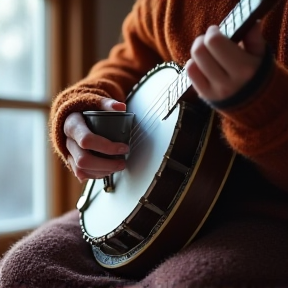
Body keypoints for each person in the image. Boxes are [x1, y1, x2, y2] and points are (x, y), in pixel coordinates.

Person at [1, 0, 288, 287]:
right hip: (144, 199)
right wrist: (85, 104)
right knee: (22, 271)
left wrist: (263, 104)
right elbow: (129, 60)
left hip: (269, 214)